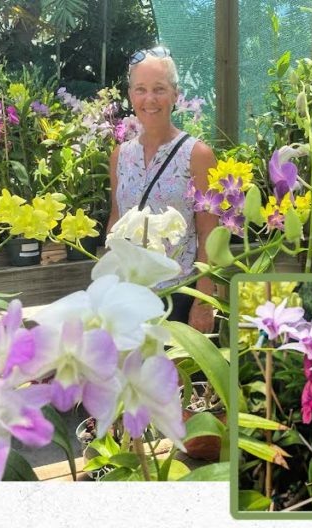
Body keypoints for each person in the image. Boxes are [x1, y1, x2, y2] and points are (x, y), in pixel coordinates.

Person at [107, 47, 217, 332]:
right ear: (131, 96)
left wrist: (204, 300)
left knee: (176, 377)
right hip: (129, 296)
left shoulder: (198, 155)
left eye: (159, 89)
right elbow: (116, 221)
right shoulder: (120, 156)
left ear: (175, 95)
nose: (150, 99)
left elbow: (210, 232)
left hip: (178, 295)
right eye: (141, 89)